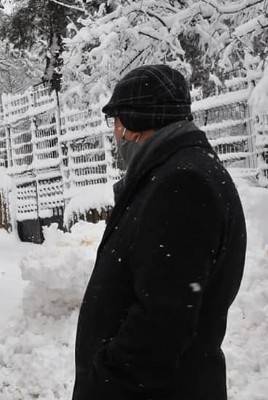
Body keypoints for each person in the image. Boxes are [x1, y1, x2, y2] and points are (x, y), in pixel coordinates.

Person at [73, 65, 247, 400]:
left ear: (135, 123)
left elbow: (163, 321)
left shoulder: (182, 183)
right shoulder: (179, 173)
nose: (115, 135)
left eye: (116, 122)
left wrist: (106, 380)